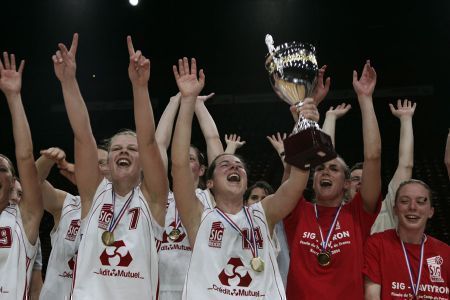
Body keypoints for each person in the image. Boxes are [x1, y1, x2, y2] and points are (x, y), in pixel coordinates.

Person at [171, 57, 311, 299]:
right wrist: (187, 101)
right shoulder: (198, 216)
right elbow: (179, 164)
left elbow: (299, 179)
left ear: (246, 182)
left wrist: (305, 124)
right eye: (224, 164)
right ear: (210, 183)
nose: (233, 166)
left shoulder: (263, 213)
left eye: (239, 166)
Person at [53, 33, 168, 299]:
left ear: (142, 163)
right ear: (107, 160)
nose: (123, 151)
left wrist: (140, 88)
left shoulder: (154, 199)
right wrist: (68, 82)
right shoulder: (93, 194)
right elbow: (83, 135)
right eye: (116, 148)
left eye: (131, 148)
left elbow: (149, 141)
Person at [284, 60, 382, 300]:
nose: (325, 172)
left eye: (334, 169)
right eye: (319, 169)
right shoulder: (296, 211)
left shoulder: (358, 214)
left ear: (348, 183)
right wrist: (308, 110)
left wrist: (366, 99)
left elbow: (373, 157)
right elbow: (294, 159)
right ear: (312, 179)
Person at [156, 90, 222, 299]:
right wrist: (174, 101)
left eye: (191, 159)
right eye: (181, 157)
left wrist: (198, 105)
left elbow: (213, 140)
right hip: (158, 288)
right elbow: (158, 144)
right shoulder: (158, 196)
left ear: (202, 170)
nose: (183, 161)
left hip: (198, 288)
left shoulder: (209, 197)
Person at [36, 146, 108, 300]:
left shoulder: (127, 212)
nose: (94, 168)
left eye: (101, 163)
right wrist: (48, 159)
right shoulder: (67, 205)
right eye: (90, 163)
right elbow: (33, 184)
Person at [0, 52, 43, 298]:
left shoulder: (23, 218)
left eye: (3, 169)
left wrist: (13, 97)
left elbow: (25, 157)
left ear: (13, 180)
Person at [363, 179, 449, 299]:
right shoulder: (378, 244)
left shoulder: (446, 253)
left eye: (420, 202)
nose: (412, 207)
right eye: (404, 201)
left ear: (431, 211)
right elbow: (372, 296)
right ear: (395, 210)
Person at [371, 99, 416, 234]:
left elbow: (406, 165)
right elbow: (326, 165)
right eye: (355, 179)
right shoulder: (340, 212)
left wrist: (406, 119)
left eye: (365, 180)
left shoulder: (389, 208)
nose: (361, 183)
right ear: (346, 185)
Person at [9, 179, 44, 300]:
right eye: (9, 191)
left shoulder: (30, 233)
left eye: (20, 194)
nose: (15, 198)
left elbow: (36, 288)